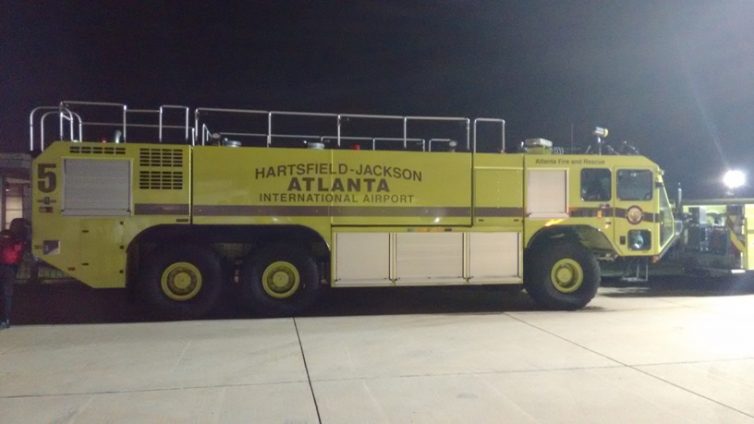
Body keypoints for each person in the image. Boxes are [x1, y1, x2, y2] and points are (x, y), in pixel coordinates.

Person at [0, 219, 28, 329]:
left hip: (3, 265)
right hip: (11, 267)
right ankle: (6, 319)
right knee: (7, 294)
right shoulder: (19, 240)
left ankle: (4, 319)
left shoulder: (4, 235)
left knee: (4, 294)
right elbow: (19, 253)